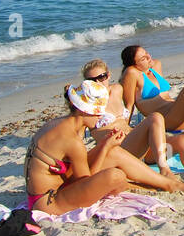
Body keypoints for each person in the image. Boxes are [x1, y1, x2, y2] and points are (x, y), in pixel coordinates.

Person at [81, 59, 184, 184]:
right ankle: (164, 169)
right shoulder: (86, 105)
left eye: (102, 77)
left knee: (182, 140)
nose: (99, 82)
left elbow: (131, 102)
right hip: (122, 152)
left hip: (143, 151)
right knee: (155, 117)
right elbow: (75, 131)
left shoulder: (117, 89)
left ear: (108, 75)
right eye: (93, 80)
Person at [23, 81, 131, 214]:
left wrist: (105, 144)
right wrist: (105, 147)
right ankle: (148, 185)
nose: (100, 117)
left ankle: (162, 183)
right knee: (116, 176)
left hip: (40, 196)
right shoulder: (73, 141)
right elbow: (86, 181)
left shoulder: (55, 124)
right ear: (84, 110)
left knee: (114, 154)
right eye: (97, 113)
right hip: (49, 203)